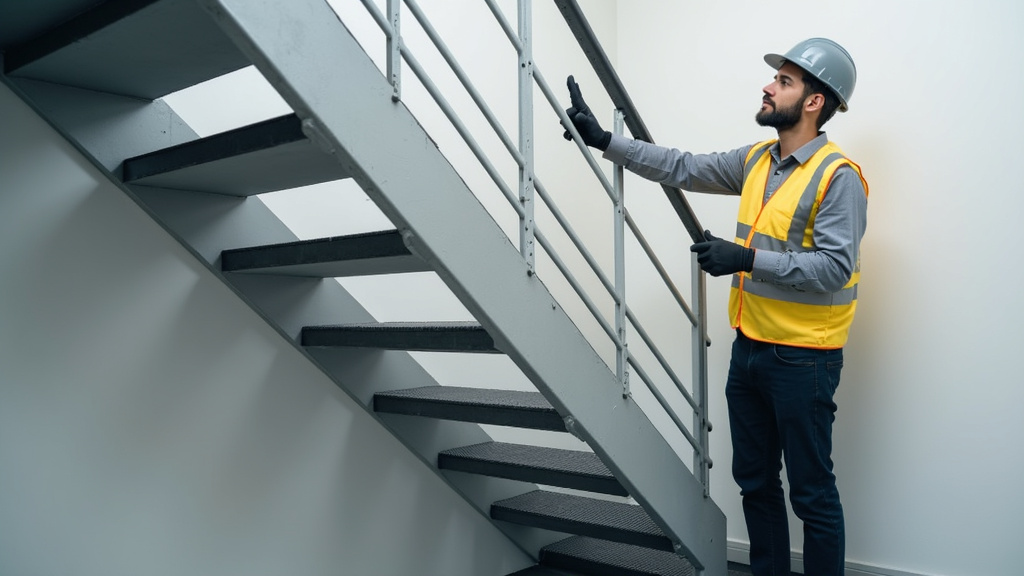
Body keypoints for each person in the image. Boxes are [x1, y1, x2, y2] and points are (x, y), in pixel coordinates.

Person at [563, 38, 868, 576]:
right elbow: (682, 166)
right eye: (775, 79)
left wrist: (746, 259)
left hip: (805, 360)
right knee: (754, 482)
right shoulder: (757, 160)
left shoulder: (837, 176)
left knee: (812, 493)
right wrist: (607, 141)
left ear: (815, 102)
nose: (768, 87)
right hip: (749, 350)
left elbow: (834, 269)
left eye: (785, 81)